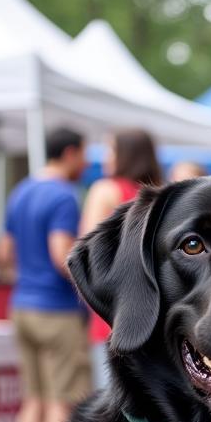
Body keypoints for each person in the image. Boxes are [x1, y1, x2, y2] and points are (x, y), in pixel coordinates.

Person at [0, 127, 89, 422]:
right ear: (69, 153)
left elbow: (4, 252)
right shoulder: (64, 196)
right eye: (83, 154)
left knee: (33, 399)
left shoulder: (21, 191)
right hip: (57, 310)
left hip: (22, 305)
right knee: (60, 401)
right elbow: (60, 252)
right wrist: (89, 276)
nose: (84, 163)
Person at [80, 128, 162, 388]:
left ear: (127, 154)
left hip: (113, 313)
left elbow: (89, 252)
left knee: (112, 399)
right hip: (152, 315)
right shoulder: (161, 198)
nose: (105, 157)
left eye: (111, 150)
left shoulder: (105, 190)